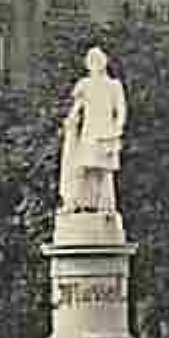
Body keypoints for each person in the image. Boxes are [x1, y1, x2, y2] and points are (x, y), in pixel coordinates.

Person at [58, 46, 127, 214]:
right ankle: (75, 202)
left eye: (98, 60)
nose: (95, 64)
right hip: (90, 131)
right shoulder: (85, 84)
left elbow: (121, 109)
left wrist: (118, 129)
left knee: (104, 171)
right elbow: (77, 107)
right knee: (82, 167)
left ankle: (106, 206)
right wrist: (70, 120)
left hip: (107, 131)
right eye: (91, 61)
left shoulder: (113, 85)